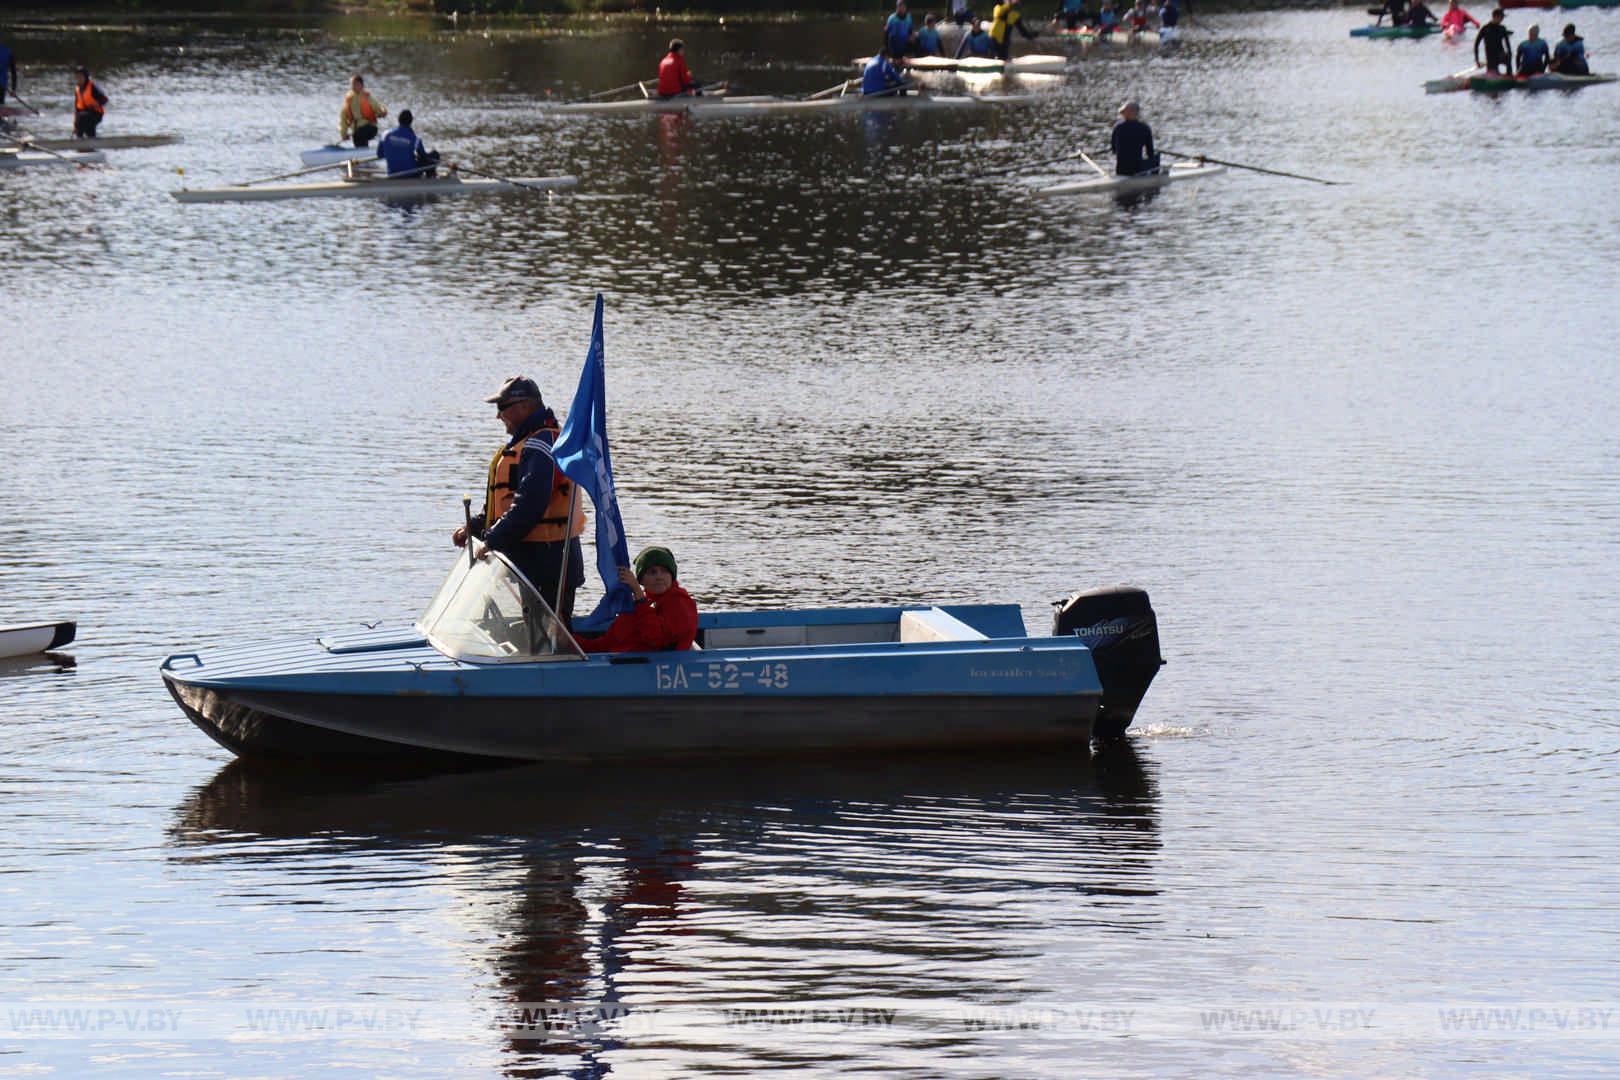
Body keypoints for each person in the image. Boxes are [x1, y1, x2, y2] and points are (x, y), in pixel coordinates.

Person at [454, 376, 588, 625]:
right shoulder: (525, 444)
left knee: (549, 637)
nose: (498, 416)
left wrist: (492, 539)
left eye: (502, 408)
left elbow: (530, 504)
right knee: (533, 633)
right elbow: (505, 503)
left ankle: (558, 660)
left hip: (550, 563)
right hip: (530, 561)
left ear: (524, 406)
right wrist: (476, 526)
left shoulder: (543, 444)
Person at [577, 547, 698, 655]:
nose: (659, 576)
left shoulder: (680, 603)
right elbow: (605, 645)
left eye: (664, 571)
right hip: (624, 668)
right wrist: (569, 641)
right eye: (652, 572)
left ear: (672, 576)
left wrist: (639, 596)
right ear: (641, 580)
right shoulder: (638, 607)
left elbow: (655, 638)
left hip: (660, 671)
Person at [376, 109, 440, 177]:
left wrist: (394, 152)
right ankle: (431, 180)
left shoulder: (385, 134)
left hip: (392, 172)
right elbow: (424, 157)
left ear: (399, 120)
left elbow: (380, 155)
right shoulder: (415, 139)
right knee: (435, 154)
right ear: (411, 122)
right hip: (411, 173)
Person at [1110, 99, 1159, 176]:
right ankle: (1155, 178)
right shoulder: (1145, 128)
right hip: (1138, 169)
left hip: (1121, 170)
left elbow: (1113, 149)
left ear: (1130, 113)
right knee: (1156, 156)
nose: (1122, 114)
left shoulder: (1118, 127)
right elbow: (1150, 152)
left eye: (1123, 112)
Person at [339, 74, 387, 148]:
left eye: (356, 84)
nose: (353, 87)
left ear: (361, 85)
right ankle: (362, 153)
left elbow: (378, 108)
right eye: (352, 85)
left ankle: (362, 152)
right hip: (356, 131)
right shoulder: (349, 100)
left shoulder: (368, 97)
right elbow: (343, 119)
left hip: (370, 128)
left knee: (359, 134)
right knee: (357, 137)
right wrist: (343, 134)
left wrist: (383, 112)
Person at [1475, 9, 1513, 75]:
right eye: (1502, 17)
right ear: (1496, 17)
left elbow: (1508, 45)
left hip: (1501, 55)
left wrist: (1509, 54)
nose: (1502, 19)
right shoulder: (1485, 28)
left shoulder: (1502, 28)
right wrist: (1477, 61)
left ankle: (1509, 76)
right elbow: (1476, 44)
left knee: (1508, 57)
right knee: (1494, 74)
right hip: (1490, 58)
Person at [72, 67, 107, 138]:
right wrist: (75, 125)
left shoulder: (93, 86)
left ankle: (85, 142)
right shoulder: (77, 89)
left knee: (82, 118)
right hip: (83, 115)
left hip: (96, 114)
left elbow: (104, 99)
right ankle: (84, 143)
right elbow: (77, 109)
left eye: (80, 76)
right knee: (81, 123)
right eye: (77, 77)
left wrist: (95, 105)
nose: (79, 79)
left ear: (85, 76)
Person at [0, 39, 16, 107]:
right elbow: (13, 72)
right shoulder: (8, 52)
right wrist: (13, 89)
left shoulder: (8, 52)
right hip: (2, 85)